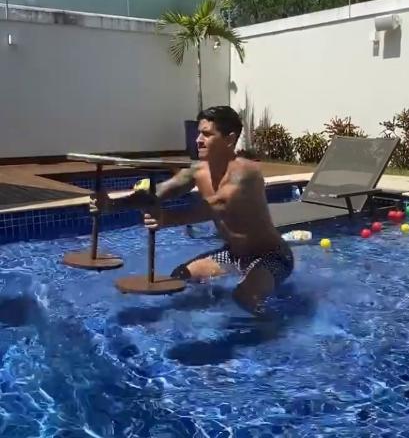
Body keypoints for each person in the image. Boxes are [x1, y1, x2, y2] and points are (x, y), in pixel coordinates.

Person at [90, 106, 294, 316]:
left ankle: (269, 334)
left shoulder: (246, 171)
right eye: (199, 133)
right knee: (178, 277)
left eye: (207, 134)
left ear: (229, 139)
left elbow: (219, 206)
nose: (198, 140)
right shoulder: (197, 170)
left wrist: (168, 218)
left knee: (244, 297)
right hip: (234, 255)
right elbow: (158, 192)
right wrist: (111, 205)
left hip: (271, 256)